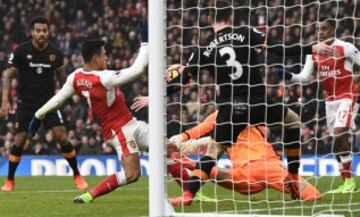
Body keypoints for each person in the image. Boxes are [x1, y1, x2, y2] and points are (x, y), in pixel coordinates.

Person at [167, 0, 336, 206]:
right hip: (258, 102)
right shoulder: (246, 33)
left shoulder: (202, 49)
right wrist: (312, 47)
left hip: (230, 109)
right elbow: (278, 49)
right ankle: (292, 173)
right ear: (231, 16)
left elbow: (182, 82)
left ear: (209, 18)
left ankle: (188, 195)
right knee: (292, 120)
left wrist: (156, 96)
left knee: (212, 153)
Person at [28, 22, 149, 204]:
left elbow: (58, 99)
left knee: (167, 148)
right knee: (132, 174)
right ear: (95, 59)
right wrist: (146, 43)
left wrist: (38, 115)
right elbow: (138, 69)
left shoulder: (76, 76)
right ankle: (89, 196)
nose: (107, 59)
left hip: (131, 123)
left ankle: (190, 189)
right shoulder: (104, 78)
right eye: (104, 55)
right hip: (121, 130)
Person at [0, 16, 87, 192]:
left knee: (62, 136)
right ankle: (10, 181)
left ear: (48, 32)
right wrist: (4, 101)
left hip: (49, 103)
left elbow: (64, 79)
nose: (41, 34)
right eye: (38, 30)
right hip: (26, 103)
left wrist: (72, 97)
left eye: (44, 30)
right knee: (19, 140)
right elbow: (8, 76)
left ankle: (77, 175)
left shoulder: (56, 53)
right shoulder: (21, 51)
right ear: (32, 32)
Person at [277, 17, 360, 193]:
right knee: (336, 144)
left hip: (347, 97)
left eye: (324, 29)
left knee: (339, 135)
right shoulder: (313, 52)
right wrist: (289, 76)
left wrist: (357, 87)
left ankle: (350, 182)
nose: (320, 32)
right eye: (318, 29)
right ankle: (346, 182)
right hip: (329, 102)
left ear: (332, 29)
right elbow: (305, 76)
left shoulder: (345, 48)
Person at [168, 111, 321, 201]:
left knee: (211, 170)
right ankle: (190, 165)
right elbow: (202, 131)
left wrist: (180, 138)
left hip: (251, 172)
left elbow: (200, 130)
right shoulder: (252, 110)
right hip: (259, 169)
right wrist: (181, 138)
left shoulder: (223, 116)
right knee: (312, 195)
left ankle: (190, 165)